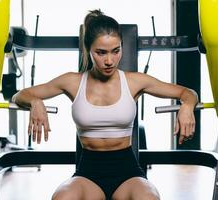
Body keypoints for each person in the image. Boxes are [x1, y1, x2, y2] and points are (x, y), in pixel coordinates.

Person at [12, 9, 198, 200]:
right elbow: (20, 95)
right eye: (101, 53)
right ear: (88, 50)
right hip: (88, 173)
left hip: (128, 172)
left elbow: (188, 93)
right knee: (61, 198)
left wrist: (187, 106)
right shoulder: (73, 82)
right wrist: (35, 101)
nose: (109, 60)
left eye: (116, 51)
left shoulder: (134, 82)